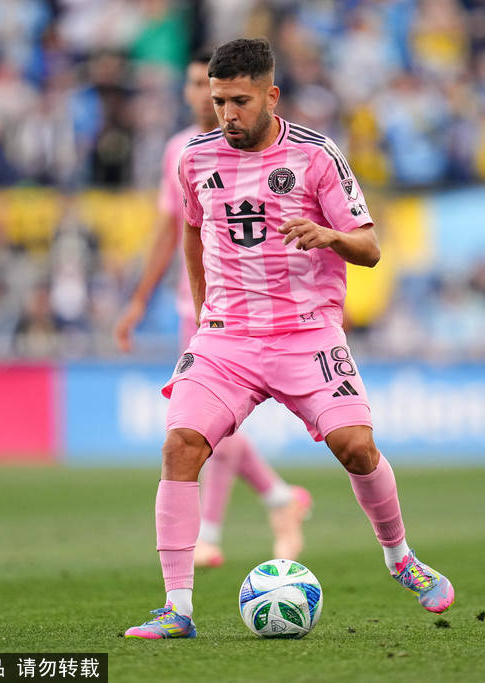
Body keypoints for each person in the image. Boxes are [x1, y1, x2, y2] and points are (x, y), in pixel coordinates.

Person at [125, 38, 454, 640]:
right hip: (228, 337)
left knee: (356, 447)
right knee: (180, 447)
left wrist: (329, 236)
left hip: (306, 333)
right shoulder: (194, 158)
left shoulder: (317, 155)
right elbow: (192, 235)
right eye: (219, 101)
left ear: (271, 96)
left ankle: (401, 559)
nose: (227, 114)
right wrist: (204, 315)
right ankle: (177, 609)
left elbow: (370, 248)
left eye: (240, 102)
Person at [114, 50, 311, 568]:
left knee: (216, 423)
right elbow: (172, 230)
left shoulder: (276, 150)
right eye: (196, 86)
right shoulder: (181, 152)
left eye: (213, 88)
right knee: (211, 422)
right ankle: (271, 502)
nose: (205, 97)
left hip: (261, 311)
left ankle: (243, 515)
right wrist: (139, 300)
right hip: (200, 308)